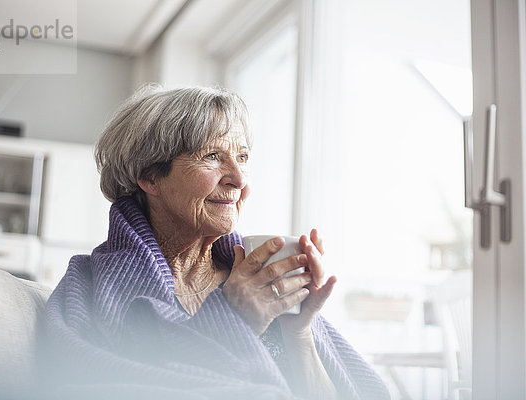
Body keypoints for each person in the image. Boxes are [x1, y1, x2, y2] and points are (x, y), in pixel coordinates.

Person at [43, 85, 390, 400]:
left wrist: (299, 333)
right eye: (212, 156)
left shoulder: (260, 279)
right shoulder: (87, 285)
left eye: (242, 157)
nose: (239, 179)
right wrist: (232, 319)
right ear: (150, 176)